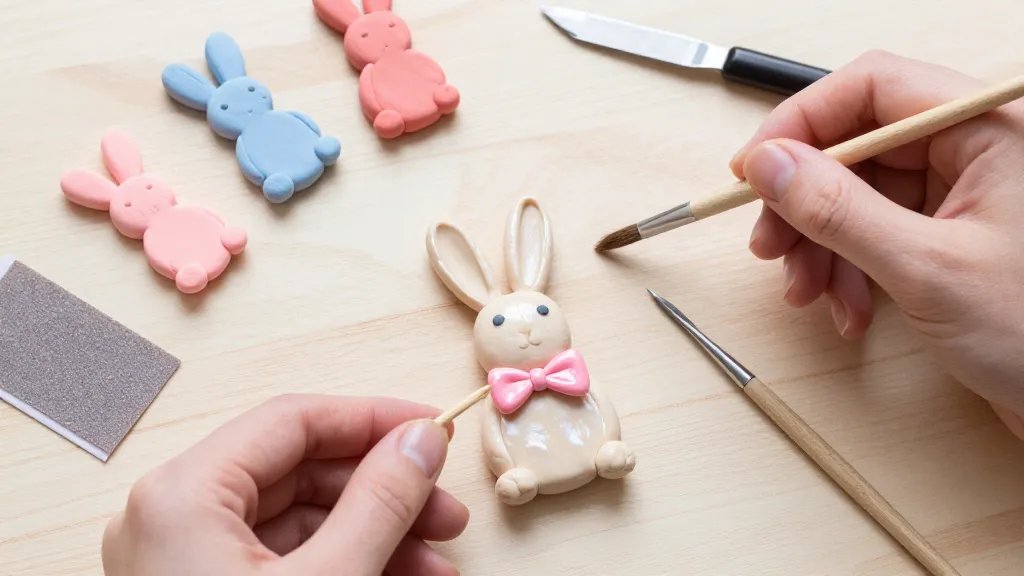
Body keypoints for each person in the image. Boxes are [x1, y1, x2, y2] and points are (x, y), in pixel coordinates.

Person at [102, 51, 1024, 574]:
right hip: (535, 468)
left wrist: (602, 443)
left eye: (529, 313)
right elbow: (513, 434)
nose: (530, 331)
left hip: (589, 450)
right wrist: (512, 468)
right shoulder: (506, 380)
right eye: (510, 320)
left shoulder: (557, 368)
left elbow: (593, 410)